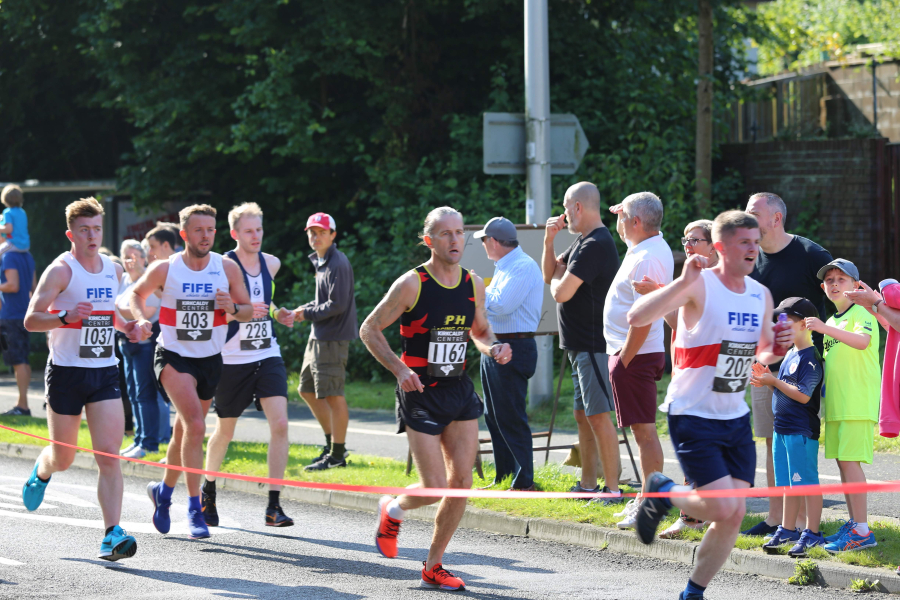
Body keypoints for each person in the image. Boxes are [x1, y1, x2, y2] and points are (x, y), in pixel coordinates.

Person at [627, 210, 791, 600]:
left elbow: (764, 353)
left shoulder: (760, 294)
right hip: (693, 412)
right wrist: (680, 282)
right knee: (722, 508)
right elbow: (636, 316)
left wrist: (778, 345)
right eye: (744, 242)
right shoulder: (699, 285)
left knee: (732, 516)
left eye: (756, 242)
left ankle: (693, 592)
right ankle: (663, 491)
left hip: (734, 416)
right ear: (721, 247)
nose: (753, 249)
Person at [361, 206, 512, 591]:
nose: (455, 240)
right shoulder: (412, 284)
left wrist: (493, 347)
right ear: (429, 241)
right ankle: (392, 508)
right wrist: (400, 369)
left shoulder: (473, 284)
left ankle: (433, 564)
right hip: (420, 392)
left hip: (458, 389)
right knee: (432, 486)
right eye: (445, 234)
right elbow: (370, 329)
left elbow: (480, 330)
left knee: (460, 483)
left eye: (459, 233)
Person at [21, 197, 142, 561]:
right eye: (85, 230)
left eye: (97, 229)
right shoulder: (60, 271)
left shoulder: (114, 269)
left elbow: (112, 315)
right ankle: (43, 469)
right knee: (65, 456)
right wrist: (65, 316)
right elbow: (30, 319)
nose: (92, 236)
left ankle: (111, 534)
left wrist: (130, 328)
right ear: (70, 233)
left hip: (104, 371)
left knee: (109, 457)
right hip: (66, 373)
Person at [129, 204, 257, 540]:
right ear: (184, 234)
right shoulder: (166, 268)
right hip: (173, 356)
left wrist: (232, 307)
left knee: (183, 434)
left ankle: (163, 493)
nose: (206, 236)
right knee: (197, 425)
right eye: (199, 230)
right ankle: (194, 508)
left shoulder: (226, 267)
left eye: (211, 230)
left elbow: (247, 311)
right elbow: (134, 294)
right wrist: (141, 319)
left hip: (210, 360)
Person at [202, 202, 297, 527]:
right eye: (248, 231)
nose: (256, 236)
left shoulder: (271, 263)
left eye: (259, 229)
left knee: (281, 424)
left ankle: (274, 506)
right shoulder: (222, 266)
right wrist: (238, 310)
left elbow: (264, 303)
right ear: (234, 234)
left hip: (266, 353)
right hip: (232, 359)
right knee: (225, 430)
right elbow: (220, 309)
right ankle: (208, 489)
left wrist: (276, 313)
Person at [744, 192, 833, 536]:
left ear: (776, 218)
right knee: (771, 441)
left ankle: (802, 524)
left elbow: (838, 301)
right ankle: (775, 518)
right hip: (765, 367)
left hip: (802, 371)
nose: (747, 217)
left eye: (754, 212)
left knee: (798, 442)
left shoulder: (811, 255)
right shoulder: (751, 258)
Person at [542, 182, 622, 502]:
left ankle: (612, 488)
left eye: (565, 207)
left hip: (593, 346)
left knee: (600, 416)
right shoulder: (580, 242)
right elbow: (550, 274)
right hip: (578, 347)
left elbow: (559, 291)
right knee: (583, 415)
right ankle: (588, 484)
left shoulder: (596, 244)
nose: (563, 214)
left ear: (577, 207)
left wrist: (558, 281)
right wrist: (549, 241)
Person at [603, 191, 673, 528]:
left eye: (621, 217)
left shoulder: (646, 257)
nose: (615, 221)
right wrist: (627, 210)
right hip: (633, 353)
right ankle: (645, 496)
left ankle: (650, 505)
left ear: (634, 222)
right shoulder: (646, 246)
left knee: (644, 433)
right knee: (641, 432)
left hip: (636, 355)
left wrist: (624, 359)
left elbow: (644, 316)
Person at [806, 259, 880, 553]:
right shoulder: (834, 322)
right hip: (837, 405)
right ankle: (854, 524)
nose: (835, 284)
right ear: (823, 288)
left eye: (842, 279)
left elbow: (862, 342)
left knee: (850, 462)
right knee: (842, 463)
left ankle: (862, 531)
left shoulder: (863, 311)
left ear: (855, 285)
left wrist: (823, 328)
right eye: (830, 280)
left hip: (857, 401)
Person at [749, 297, 824, 557]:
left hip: (800, 432)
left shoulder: (811, 357)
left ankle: (812, 533)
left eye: (787, 321)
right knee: (787, 484)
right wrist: (766, 380)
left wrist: (774, 381)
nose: (781, 327)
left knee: (806, 484)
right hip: (782, 430)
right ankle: (788, 528)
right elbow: (783, 390)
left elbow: (803, 395)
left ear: (805, 324)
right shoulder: (791, 353)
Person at [474, 216, 543, 491]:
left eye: (483, 240)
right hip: (499, 344)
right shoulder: (506, 266)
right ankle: (504, 477)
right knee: (494, 414)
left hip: (514, 346)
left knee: (511, 415)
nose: (482, 245)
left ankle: (523, 481)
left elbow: (500, 305)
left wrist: (477, 290)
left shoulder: (521, 266)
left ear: (492, 241)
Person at [295, 212, 358, 471]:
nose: (316, 236)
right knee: (306, 390)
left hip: (332, 339)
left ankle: (338, 455)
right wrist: (302, 309)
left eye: (322, 232)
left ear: (333, 235)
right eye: (312, 232)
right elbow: (324, 301)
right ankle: (331, 446)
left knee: (333, 395)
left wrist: (306, 313)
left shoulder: (337, 263)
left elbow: (337, 304)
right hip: (318, 336)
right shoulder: (322, 261)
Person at [115, 239, 160, 459]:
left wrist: (119, 309)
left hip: (145, 346)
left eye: (135, 256)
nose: (131, 261)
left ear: (143, 258)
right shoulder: (122, 280)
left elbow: (147, 311)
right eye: (126, 256)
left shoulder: (146, 281)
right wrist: (121, 310)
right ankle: (139, 439)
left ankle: (149, 443)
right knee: (132, 394)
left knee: (144, 394)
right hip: (126, 345)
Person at [0, 243, 36, 416]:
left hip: (11, 315)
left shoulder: (8, 256)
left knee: (18, 361)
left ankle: (22, 406)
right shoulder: (28, 256)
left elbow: (12, 285)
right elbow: (34, 288)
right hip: (24, 314)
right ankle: (23, 404)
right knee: (23, 359)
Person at [0, 184, 31, 258]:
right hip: (26, 246)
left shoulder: (7, 212)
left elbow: (9, 229)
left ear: (5, 199)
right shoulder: (22, 212)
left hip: (14, 244)